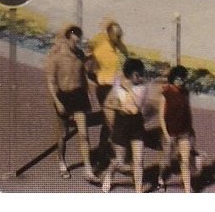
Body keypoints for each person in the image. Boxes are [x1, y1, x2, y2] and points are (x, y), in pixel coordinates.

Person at [44, 25, 98, 182]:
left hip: (79, 96)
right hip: (63, 97)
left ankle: (88, 169)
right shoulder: (55, 57)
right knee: (63, 134)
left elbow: (84, 76)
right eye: (74, 40)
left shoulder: (80, 55)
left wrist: (89, 96)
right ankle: (62, 162)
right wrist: (56, 101)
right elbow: (50, 82)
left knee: (84, 134)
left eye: (78, 40)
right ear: (67, 39)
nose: (77, 43)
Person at [101, 58, 150, 192]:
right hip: (121, 123)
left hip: (136, 124)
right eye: (138, 74)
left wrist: (129, 90)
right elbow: (107, 104)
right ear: (132, 74)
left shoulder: (143, 86)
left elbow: (135, 108)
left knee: (139, 160)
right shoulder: (118, 84)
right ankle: (109, 174)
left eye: (141, 73)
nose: (141, 76)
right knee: (120, 161)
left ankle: (138, 191)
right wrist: (116, 111)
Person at [86, 20, 129, 169]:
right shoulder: (101, 45)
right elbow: (89, 58)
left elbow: (125, 71)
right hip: (104, 89)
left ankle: (103, 152)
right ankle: (114, 156)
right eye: (116, 36)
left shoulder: (122, 50)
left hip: (117, 89)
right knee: (111, 123)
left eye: (120, 36)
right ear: (110, 35)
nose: (119, 39)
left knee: (110, 122)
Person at [159, 66, 199, 193]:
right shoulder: (166, 92)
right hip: (170, 132)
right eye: (177, 78)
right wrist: (166, 134)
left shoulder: (185, 92)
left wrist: (190, 128)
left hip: (183, 132)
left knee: (185, 160)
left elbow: (188, 111)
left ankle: (187, 189)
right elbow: (161, 117)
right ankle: (160, 178)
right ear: (173, 78)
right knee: (167, 159)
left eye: (182, 78)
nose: (180, 81)